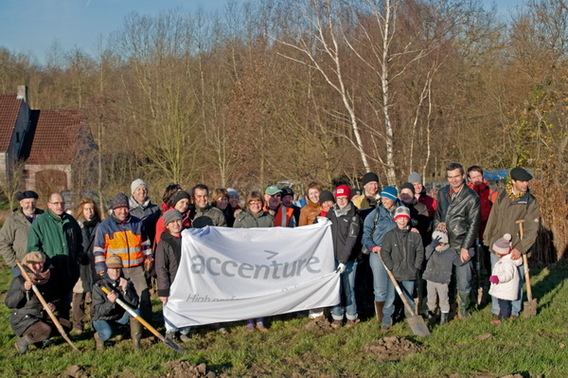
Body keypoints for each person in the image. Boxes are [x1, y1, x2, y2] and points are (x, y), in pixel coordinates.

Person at [483, 167, 540, 318]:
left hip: (516, 245)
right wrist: (488, 239)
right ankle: (497, 310)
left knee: (516, 279)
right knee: (497, 278)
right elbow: (493, 219)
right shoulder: (502, 195)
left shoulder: (530, 201)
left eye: (526, 181)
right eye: (521, 181)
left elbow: (532, 229)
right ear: (513, 181)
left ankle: (514, 311)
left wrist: (520, 248)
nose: (525, 184)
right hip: (498, 244)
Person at [93, 193, 153, 321]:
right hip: (116, 270)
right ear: (114, 209)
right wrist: (102, 270)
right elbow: (98, 251)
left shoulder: (137, 223)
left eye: (125, 208)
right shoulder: (105, 226)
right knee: (120, 298)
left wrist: (148, 258)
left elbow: (145, 243)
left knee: (144, 296)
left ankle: (148, 325)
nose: (123, 211)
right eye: (120, 208)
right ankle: (122, 324)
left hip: (136, 269)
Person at [434, 163, 480, 319]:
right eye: (450, 177)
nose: (453, 180)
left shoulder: (471, 197)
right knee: (445, 279)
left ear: (463, 177)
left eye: (456, 176)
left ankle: (464, 309)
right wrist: (438, 229)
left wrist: (466, 247)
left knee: (464, 280)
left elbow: (474, 224)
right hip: (445, 243)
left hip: (461, 243)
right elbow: (438, 214)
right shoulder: (442, 193)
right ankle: (448, 307)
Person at [27, 192, 83, 321]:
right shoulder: (40, 223)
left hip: (69, 270)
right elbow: (33, 249)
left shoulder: (71, 221)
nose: (59, 206)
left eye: (62, 203)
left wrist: (77, 258)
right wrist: (45, 264)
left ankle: (65, 327)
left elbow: (79, 243)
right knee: (49, 303)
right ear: (49, 205)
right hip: (49, 272)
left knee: (65, 302)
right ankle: (47, 332)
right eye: (56, 203)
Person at [6, 251, 72, 354]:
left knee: (66, 325)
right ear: (27, 265)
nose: (39, 266)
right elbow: (9, 303)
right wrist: (24, 289)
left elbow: (57, 297)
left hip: (41, 316)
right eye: (35, 264)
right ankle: (23, 342)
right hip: (23, 319)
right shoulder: (19, 280)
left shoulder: (47, 279)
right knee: (45, 329)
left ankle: (37, 339)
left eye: (41, 263)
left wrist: (53, 304)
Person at [361, 186, 401, 327]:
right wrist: (372, 246)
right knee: (380, 288)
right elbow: (365, 234)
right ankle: (383, 318)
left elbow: (411, 224)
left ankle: (395, 313)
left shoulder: (402, 211)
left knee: (396, 285)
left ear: (394, 199)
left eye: (387, 199)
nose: (384, 201)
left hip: (397, 254)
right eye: (383, 198)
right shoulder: (375, 214)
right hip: (378, 254)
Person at [234, 191, 274, 331]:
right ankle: (249, 320)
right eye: (252, 202)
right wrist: (241, 236)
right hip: (246, 259)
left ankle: (260, 320)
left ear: (262, 203)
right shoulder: (241, 218)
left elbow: (273, 238)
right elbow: (233, 237)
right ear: (248, 204)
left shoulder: (268, 218)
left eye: (258, 202)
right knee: (248, 290)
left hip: (262, 259)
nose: (255, 205)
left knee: (261, 290)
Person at [380, 206, 424, 328]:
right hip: (394, 275)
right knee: (390, 299)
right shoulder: (390, 236)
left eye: (405, 218)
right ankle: (386, 320)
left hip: (410, 273)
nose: (402, 221)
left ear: (408, 219)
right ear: (395, 219)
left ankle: (411, 320)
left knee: (409, 299)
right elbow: (385, 253)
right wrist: (391, 267)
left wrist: (416, 267)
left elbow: (420, 252)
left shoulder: (415, 236)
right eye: (400, 218)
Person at [327, 185, 362, 328]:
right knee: (336, 288)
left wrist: (343, 260)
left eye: (344, 198)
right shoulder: (331, 213)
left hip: (348, 259)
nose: (341, 201)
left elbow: (351, 240)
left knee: (349, 288)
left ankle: (351, 316)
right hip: (332, 258)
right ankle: (337, 316)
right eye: (339, 198)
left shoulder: (354, 215)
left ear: (348, 198)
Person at [423, 227, 472, 325]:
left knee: (444, 300)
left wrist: (468, 256)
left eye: (441, 241)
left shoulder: (451, 252)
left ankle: (444, 319)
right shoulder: (432, 250)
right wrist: (431, 246)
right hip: (430, 279)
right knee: (431, 299)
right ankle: (430, 316)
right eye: (436, 241)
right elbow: (425, 256)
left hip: (442, 281)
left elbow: (458, 262)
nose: (439, 244)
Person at [92, 254, 142, 350]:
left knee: (136, 312)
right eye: (112, 269)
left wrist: (126, 291)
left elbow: (135, 304)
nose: (115, 272)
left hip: (119, 317)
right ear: (107, 269)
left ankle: (136, 344)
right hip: (103, 319)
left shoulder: (126, 283)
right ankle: (99, 338)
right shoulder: (99, 286)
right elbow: (98, 311)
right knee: (107, 333)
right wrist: (110, 302)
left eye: (118, 269)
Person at [156, 209, 191, 342]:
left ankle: (184, 330)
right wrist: (163, 290)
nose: (176, 224)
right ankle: (171, 331)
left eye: (178, 221)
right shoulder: (164, 243)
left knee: (186, 305)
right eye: (172, 222)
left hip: (188, 280)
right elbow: (161, 267)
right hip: (172, 281)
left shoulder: (188, 237)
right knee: (171, 306)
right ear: (167, 225)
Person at [71, 198, 102, 335]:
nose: (89, 212)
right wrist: (78, 256)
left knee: (96, 296)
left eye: (91, 209)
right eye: (86, 209)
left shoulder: (100, 225)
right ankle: (78, 325)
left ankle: (95, 322)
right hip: (80, 265)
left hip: (96, 264)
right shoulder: (76, 226)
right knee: (79, 297)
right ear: (81, 211)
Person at [0, 190, 43, 277]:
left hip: (41, 263)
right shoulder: (13, 220)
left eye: (33, 202)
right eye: (27, 202)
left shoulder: (43, 217)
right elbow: (3, 242)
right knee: (23, 289)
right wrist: (14, 263)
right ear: (21, 204)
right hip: (21, 265)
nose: (30, 205)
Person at [488, 233, 522, 324]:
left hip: (505, 289)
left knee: (504, 304)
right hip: (503, 289)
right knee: (502, 303)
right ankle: (501, 317)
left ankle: (503, 319)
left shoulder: (508, 263)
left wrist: (498, 278)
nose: (496, 253)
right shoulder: (503, 261)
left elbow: (508, 275)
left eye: (496, 252)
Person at [129, 179, 161, 245]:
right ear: (133, 192)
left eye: (144, 189)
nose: (142, 191)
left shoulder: (155, 209)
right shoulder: (127, 211)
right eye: (138, 189)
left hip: (152, 245)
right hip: (135, 246)